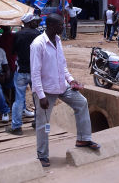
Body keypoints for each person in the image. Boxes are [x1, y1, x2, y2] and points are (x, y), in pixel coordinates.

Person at [31, 13, 99, 167]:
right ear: (50, 26)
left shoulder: (58, 40)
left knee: (82, 102)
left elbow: (62, 65)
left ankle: (83, 139)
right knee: (43, 123)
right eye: (60, 25)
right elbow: (35, 72)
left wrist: (70, 79)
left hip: (62, 85)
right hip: (45, 90)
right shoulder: (38, 44)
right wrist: (41, 96)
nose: (63, 27)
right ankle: (42, 155)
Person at [6, 13, 40, 135]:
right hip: (35, 72)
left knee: (19, 99)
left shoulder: (18, 35)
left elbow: (13, 51)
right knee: (37, 97)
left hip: (21, 71)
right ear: (30, 22)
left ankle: (16, 127)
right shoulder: (38, 34)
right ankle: (38, 122)